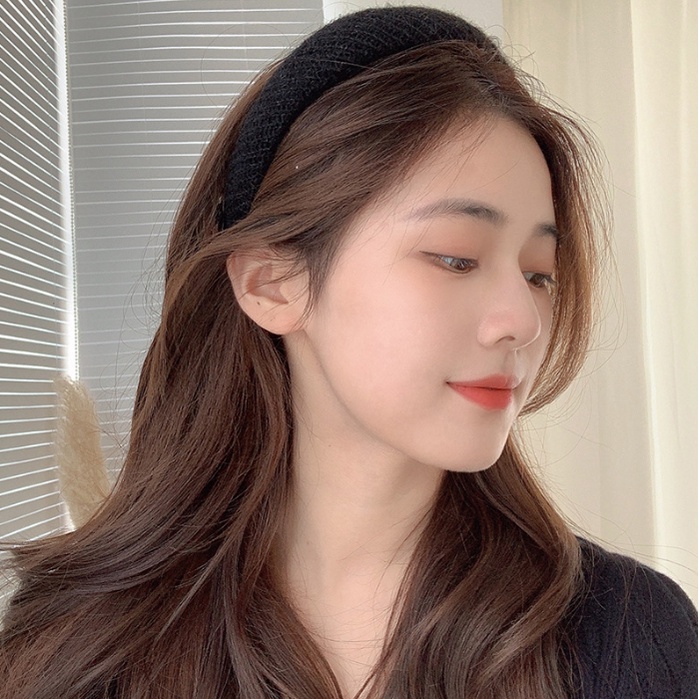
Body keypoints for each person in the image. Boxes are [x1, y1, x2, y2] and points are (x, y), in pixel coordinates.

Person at [0, 6, 696, 698]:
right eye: (456, 258)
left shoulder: (632, 641)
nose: (521, 320)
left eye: (538, 273)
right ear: (272, 283)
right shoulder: (78, 645)